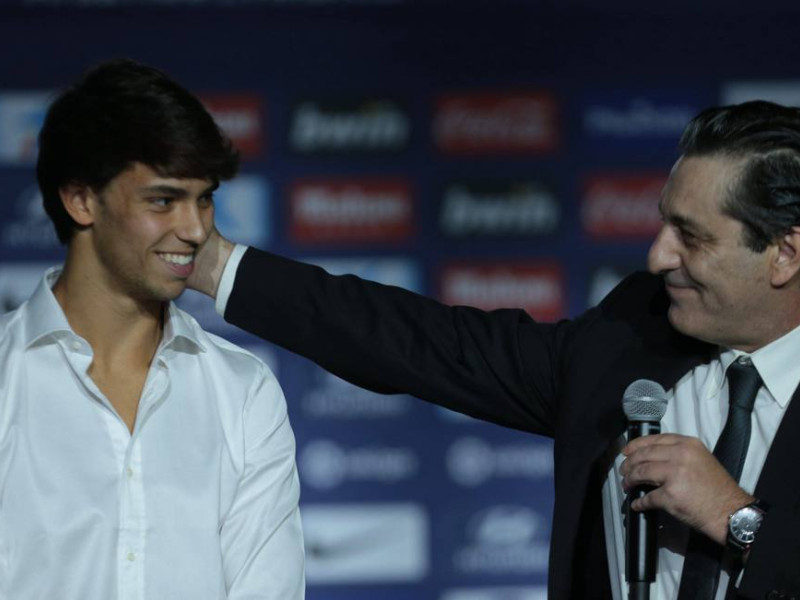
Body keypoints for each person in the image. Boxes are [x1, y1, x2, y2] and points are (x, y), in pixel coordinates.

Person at [188, 100, 800, 600]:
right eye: (665, 223)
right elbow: (422, 341)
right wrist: (217, 264)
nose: (658, 256)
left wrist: (736, 519)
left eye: (691, 237)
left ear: (785, 255)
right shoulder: (634, 332)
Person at [0, 59, 304, 599]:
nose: (196, 229)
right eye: (163, 200)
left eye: (204, 198)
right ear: (81, 200)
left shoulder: (244, 390)